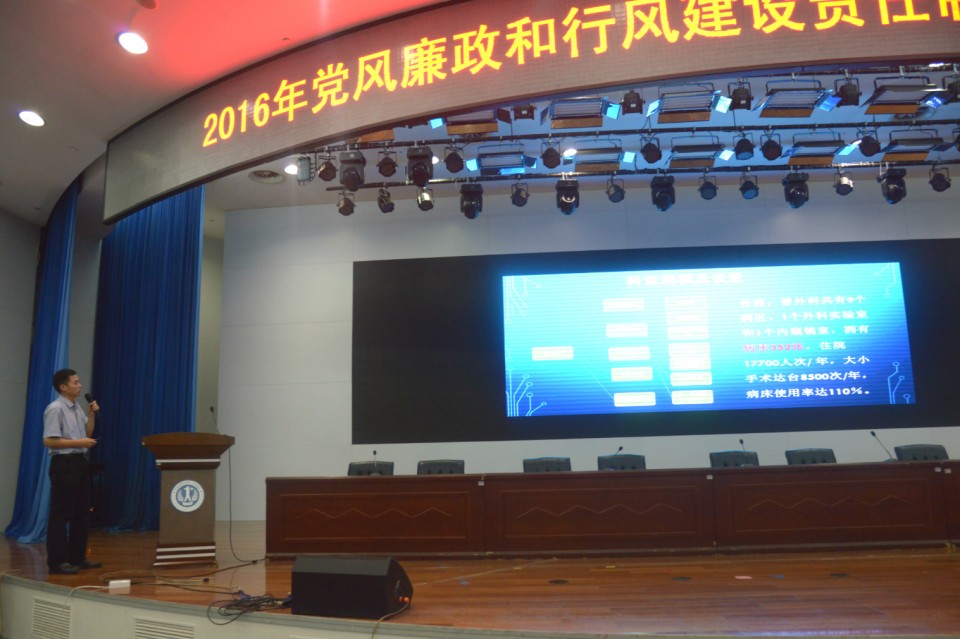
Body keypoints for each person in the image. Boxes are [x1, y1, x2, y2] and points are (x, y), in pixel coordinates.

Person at [43, 368, 103, 575]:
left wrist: (91, 414)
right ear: (63, 387)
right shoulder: (56, 408)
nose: (80, 385)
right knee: (61, 513)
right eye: (75, 382)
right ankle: (57, 562)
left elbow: (87, 432)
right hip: (64, 463)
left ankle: (77, 557)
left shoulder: (76, 408)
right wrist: (80, 442)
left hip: (79, 462)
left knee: (82, 513)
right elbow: (49, 440)